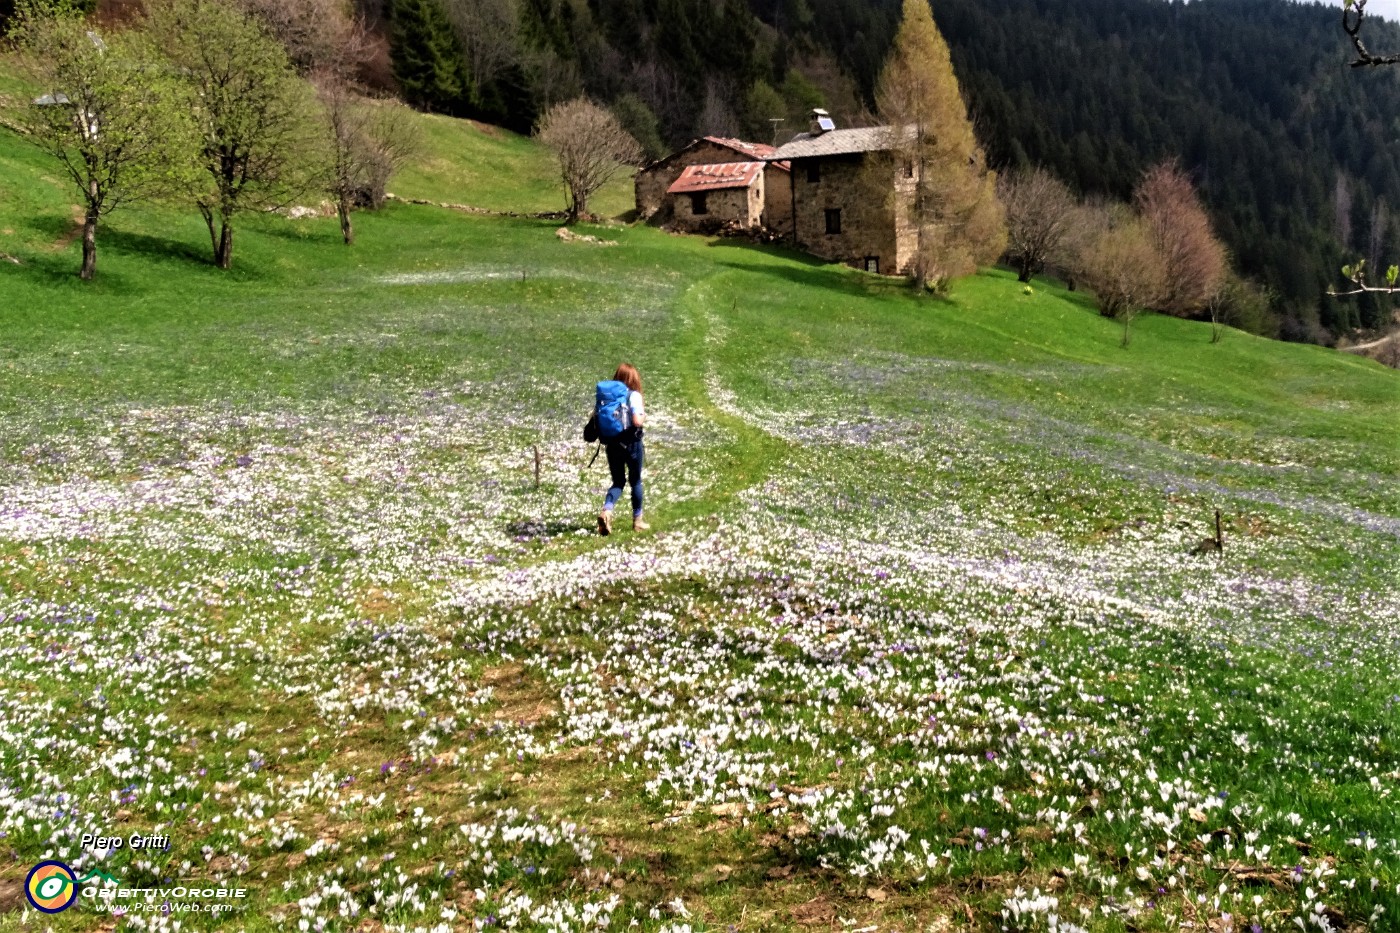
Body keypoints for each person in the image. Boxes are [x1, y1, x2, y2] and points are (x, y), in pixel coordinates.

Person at [598, 362, 647, 535]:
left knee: (618, 481)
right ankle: (638, 521)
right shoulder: (634, 396)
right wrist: (642, 416)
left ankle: (607, 510)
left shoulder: (607, 399)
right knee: (635, 481)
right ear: (633, 378)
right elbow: (637, 422)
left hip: (612, 446)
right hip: (631, 445)